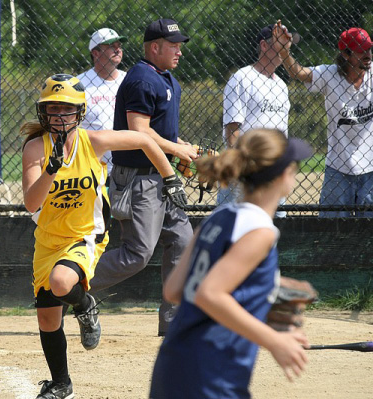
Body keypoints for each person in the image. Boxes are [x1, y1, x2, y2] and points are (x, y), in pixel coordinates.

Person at [21, 73, 182, 399]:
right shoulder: (35, 149)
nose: (58, 116)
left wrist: (170, 177)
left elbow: (145, 140)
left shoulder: (91, 141)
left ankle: (86, 305)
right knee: (48, 320)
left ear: (79, 112)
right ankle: (61, 384)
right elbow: (31, 203)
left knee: (63, 283)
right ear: (42, 112)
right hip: (48, 241)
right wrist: (50, 170)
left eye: (66, 109)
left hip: (86, 234)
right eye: (51, 109)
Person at [150, 128, 312, 399]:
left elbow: (175, 290)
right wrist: (275, 341)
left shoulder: (220, 216)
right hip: (212, 374)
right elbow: (210, 293)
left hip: (173, 364)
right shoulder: (260, 231)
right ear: (284, 176)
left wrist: (263, 292)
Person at [89, 18, 198, 336]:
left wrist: (182, 148)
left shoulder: (167, 79)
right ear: (154, 47)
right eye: (173, 45)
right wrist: (174, 157)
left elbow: (160, 133)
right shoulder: (141, 80)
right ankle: (71, 283)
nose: (179, 51)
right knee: (137, 254)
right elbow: (139, 132)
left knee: (182, 242)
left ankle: (173, 321)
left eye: (179, 45)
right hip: (139, 179)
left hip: (160, 176)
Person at [274, 23, 373, 217]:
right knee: (330, 229)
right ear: (346, 55)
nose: (368, 55)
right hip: (338, 167)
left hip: (371, 167)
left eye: (369, 49)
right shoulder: (330, 75)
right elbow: (298, 73)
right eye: (361, 51)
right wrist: (284, 52)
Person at [219, 24, 297, 218]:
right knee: (234, 227)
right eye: (281, 44)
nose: (285, 50)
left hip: (275, 171)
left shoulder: (280, 85)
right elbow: (232, 129)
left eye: (288, 46)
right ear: (264, 45)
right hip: (248, 171)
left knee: (277, 230)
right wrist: (240, 168)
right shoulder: (242, 78)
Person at [77, 28, 127, 176]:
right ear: (95, 53)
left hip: (126, 166)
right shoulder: (79, 84)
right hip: (91, 167)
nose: (117, 50)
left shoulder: (129, 80)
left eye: (119, 46)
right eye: (111, 46)